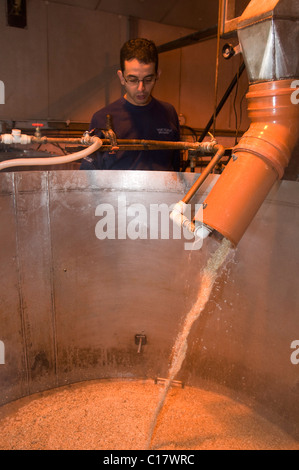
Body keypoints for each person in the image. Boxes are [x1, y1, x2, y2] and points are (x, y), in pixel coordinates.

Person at [80, 38, 180, 171]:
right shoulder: (101, 118)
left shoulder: (168, 113)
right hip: (117, 191)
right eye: (133, 80)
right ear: (121, 77)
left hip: (162, 191)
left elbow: (176, 168)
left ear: (157, 75)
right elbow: (89, 174)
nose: (141, 88)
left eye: (148, 79)